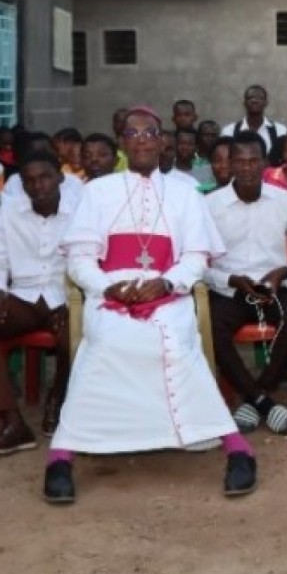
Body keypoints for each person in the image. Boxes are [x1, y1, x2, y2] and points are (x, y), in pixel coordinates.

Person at [43, 105, 257, 505]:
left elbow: (196, 257)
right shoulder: (97, 192)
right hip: (110, 294)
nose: (142, 139)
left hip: (166, 293)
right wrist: (109, 288)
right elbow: (79, 259)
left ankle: (237, 448)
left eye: (150, 133)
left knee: (177, 342)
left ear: (162, 142)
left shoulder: (183, 193)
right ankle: (61, 456)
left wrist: (165, 283)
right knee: (105, 341)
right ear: (123, 144)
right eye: (133, 133)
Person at [206, 133, 287, 435]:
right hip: (228, 290)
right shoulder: (209, 205)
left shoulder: (285, 201)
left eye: (253, 161)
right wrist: (229, 279)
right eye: (240, 161)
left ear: (265, 163)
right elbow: (195, 264)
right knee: (209, 328)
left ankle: (256, 394)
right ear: (230, 164)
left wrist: (283, 273)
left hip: (271, 287)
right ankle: (264, 403)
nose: (247, 168)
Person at [0, 152, 75, 452]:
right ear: (21, 184)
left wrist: (73, 303)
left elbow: (89, 260)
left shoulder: (80, 210)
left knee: (75, 333)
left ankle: (58, 396)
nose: (38, 185)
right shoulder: (10, 210)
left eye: (45, 177)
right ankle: (12, 422)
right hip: (22, 296)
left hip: (64, 297)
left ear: (60, 177)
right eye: (30, 180)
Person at [221, 84, 287, 163]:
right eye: (250, 98)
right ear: (244, 103)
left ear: (266, 103)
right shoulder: (229, 131)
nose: (254, 101)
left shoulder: (280, 130)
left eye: (259, 98)